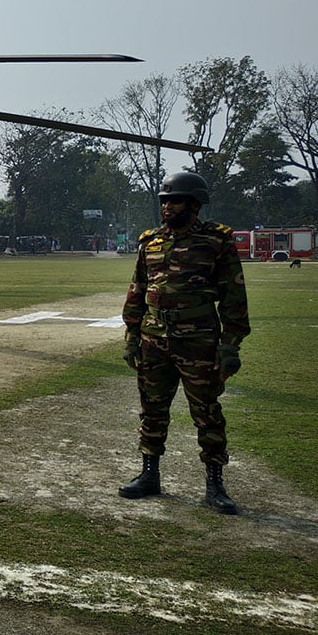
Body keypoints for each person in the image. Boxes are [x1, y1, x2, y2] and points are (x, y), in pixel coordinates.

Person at [119, 171, 250, 515]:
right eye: (164, 200)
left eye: (174, 200)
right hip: (154, 340)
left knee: (207, 413)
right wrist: (132, 335)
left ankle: (215, 483)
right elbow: (137, 290)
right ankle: (149, 475)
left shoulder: (216, 241)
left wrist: (230, 345)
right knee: (152, 410)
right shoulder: (150, 242)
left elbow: (234, 297)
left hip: (199, 342)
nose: (167, 206)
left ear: (194, 204)